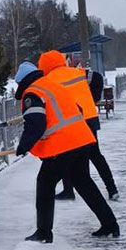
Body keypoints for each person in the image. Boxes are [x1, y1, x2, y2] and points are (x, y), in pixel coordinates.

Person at [13, 61, 120, 243]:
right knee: (84, 182)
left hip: (63, 146)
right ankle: (110, 225)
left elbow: (36, 124)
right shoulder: (52, 86)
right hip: (82, 139)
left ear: (22, 82)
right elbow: (76, 109)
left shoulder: (33, 93)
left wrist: (24, 146)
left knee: (45, 183)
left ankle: (44, 233)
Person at [38, 51, 119, 201]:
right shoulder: (77, 72)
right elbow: (97, 77)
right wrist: (93, 98)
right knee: (95, 155)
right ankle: (112, 189)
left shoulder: (48, 80)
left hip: (71, 122)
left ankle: (69, 191)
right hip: (89, 117)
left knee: (66, 155)